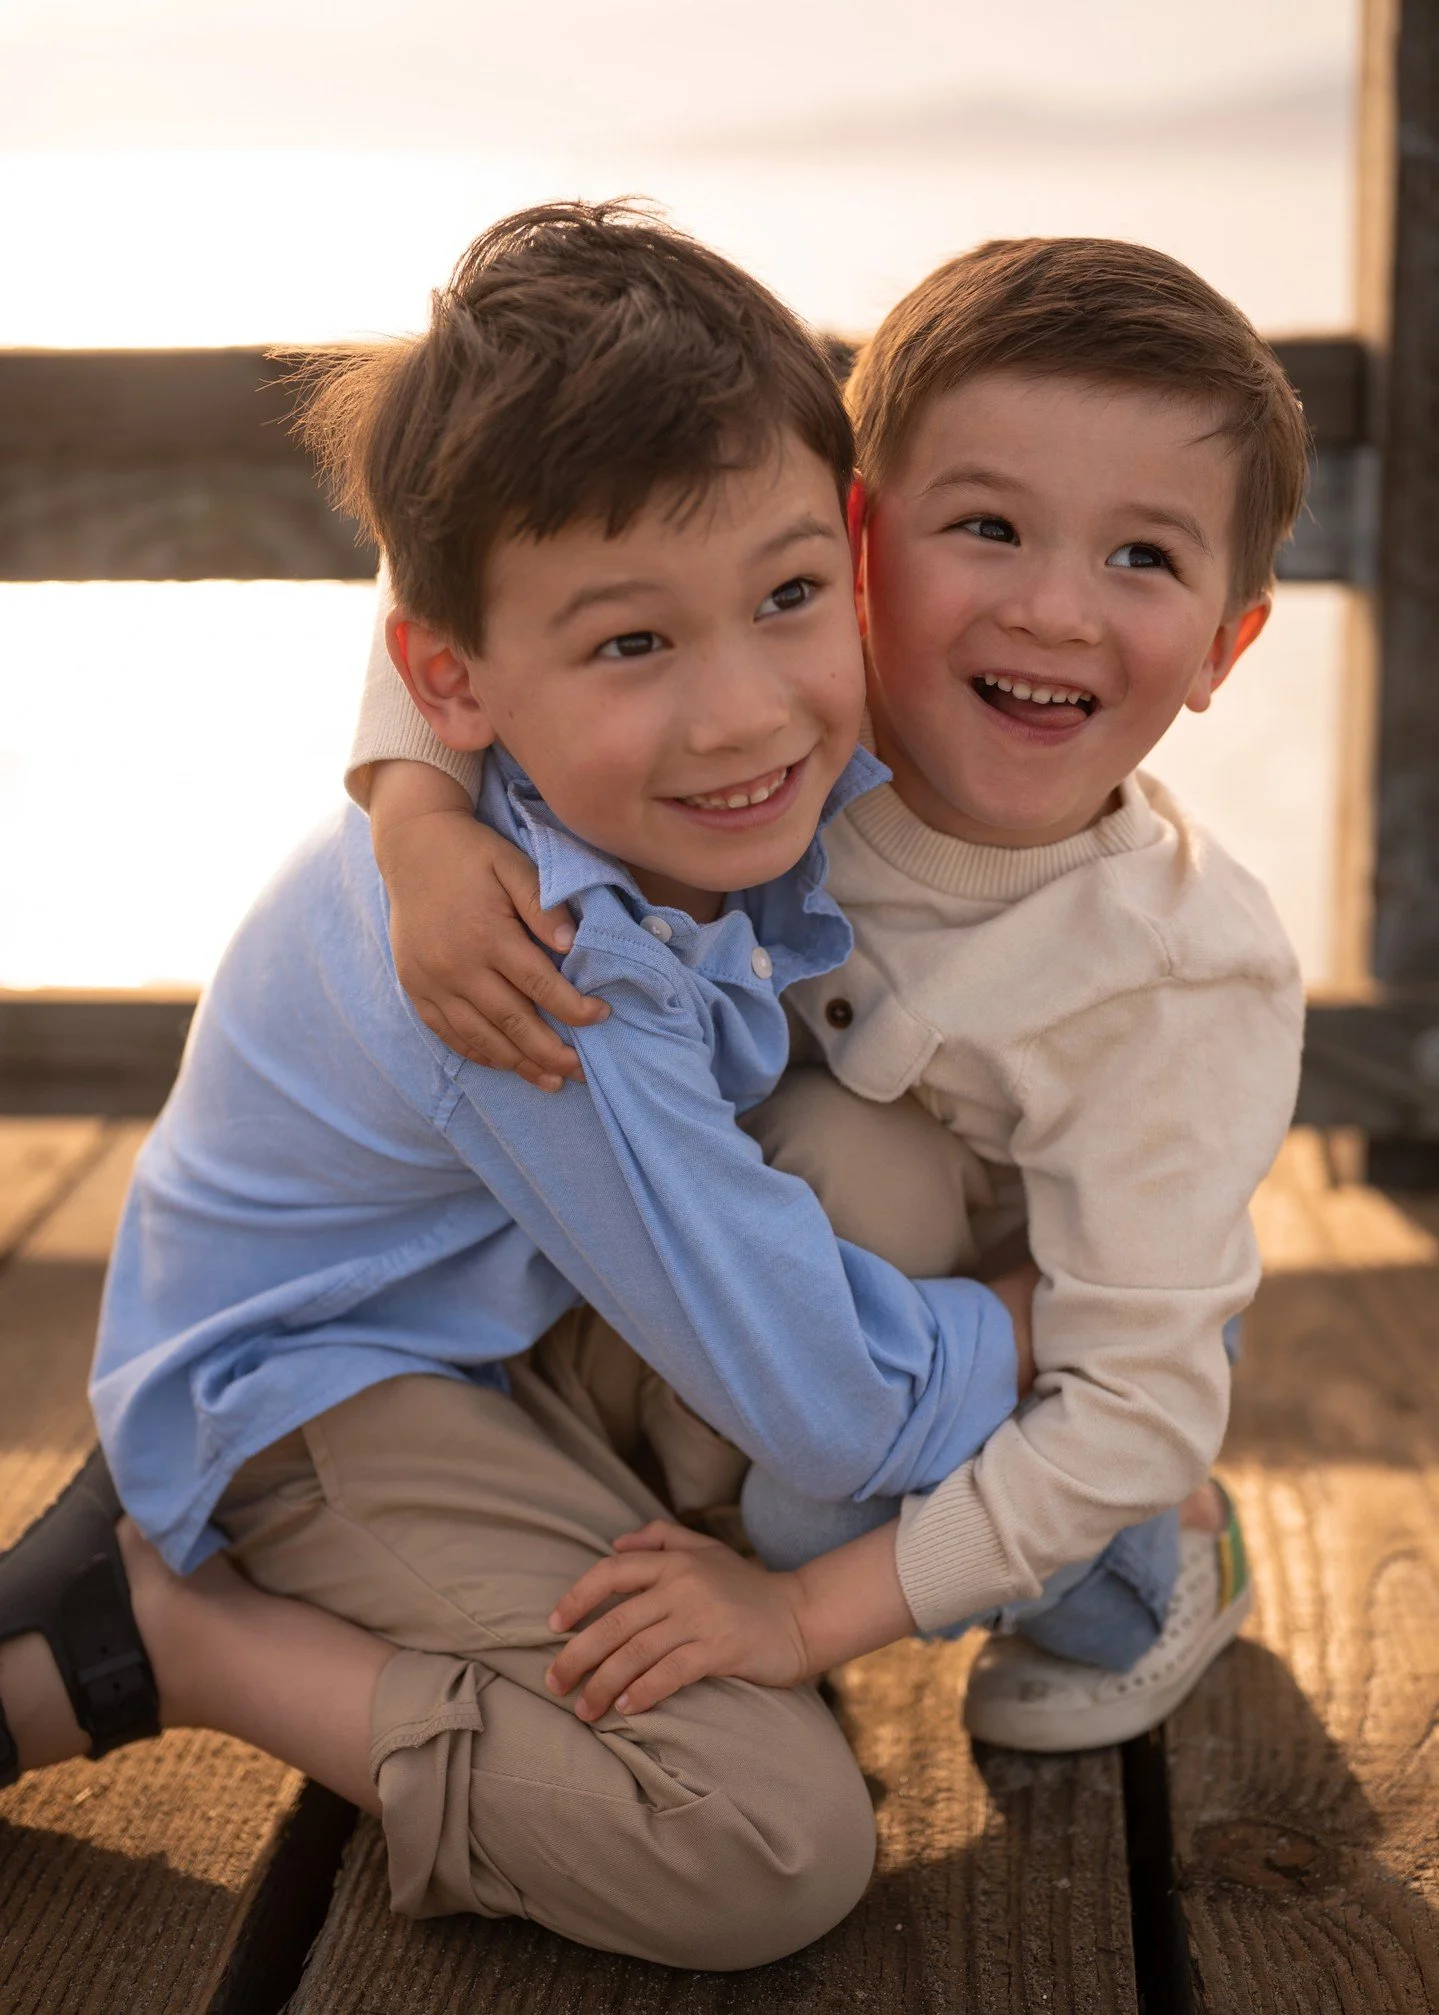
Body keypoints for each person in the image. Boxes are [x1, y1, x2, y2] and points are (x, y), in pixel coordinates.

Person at [0, 202, 1038, 1971]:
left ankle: (591, 1545)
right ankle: (175, 1629)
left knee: (880, 1177)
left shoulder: (579, 745)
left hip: (499, 1308)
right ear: (459, 685)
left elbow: (454, 593)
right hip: (325, 1390)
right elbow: (836, 1414)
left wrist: (406, 794)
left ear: (847, 549)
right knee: (766, 1844)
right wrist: (1066, 1329)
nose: (741, 716)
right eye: (633, 645)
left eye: (792, 596)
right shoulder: (553, 975)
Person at [351, 234, 1309, 1753]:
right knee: (820, 1195)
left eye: (1143, 557)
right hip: (796, 1262)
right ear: (854, 542)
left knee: (825, 1485)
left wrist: (799, 1617)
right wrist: (413, 820)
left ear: (1223, 643)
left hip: (1060, 1351)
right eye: (987, 524)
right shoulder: (780, 723)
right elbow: (490, 568)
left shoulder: (1186, 980)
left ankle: (1151, 1561)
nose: (1055, 609)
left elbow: (1136, 1399)